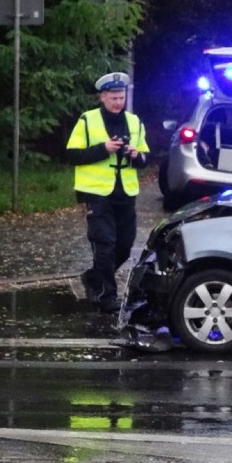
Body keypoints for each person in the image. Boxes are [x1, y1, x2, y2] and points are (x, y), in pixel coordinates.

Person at [66, 72, 149, 313]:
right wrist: (104, 149)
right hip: (96, 193)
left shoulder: (134, 122)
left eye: (121, 97)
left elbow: (146, 157)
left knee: (125, 244)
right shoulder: (87, 120)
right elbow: (72, 154)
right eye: (113, 97)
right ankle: (106, 296)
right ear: (103, 97)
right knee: (105, 244)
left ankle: (94, 278)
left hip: (125, 193)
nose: (117, 102)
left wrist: (135, 155)